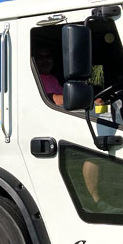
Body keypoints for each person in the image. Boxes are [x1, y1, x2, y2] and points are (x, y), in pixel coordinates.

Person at [34, 44, 106, 209]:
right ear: (35, 60)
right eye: (41, 57)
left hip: (64, 122)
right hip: (49, 128)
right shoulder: (36, 76)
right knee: (92, 153)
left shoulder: (52, 78)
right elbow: (56, 100)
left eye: (49, 57)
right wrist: (88, 100)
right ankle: (94, 202)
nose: (46, 60)